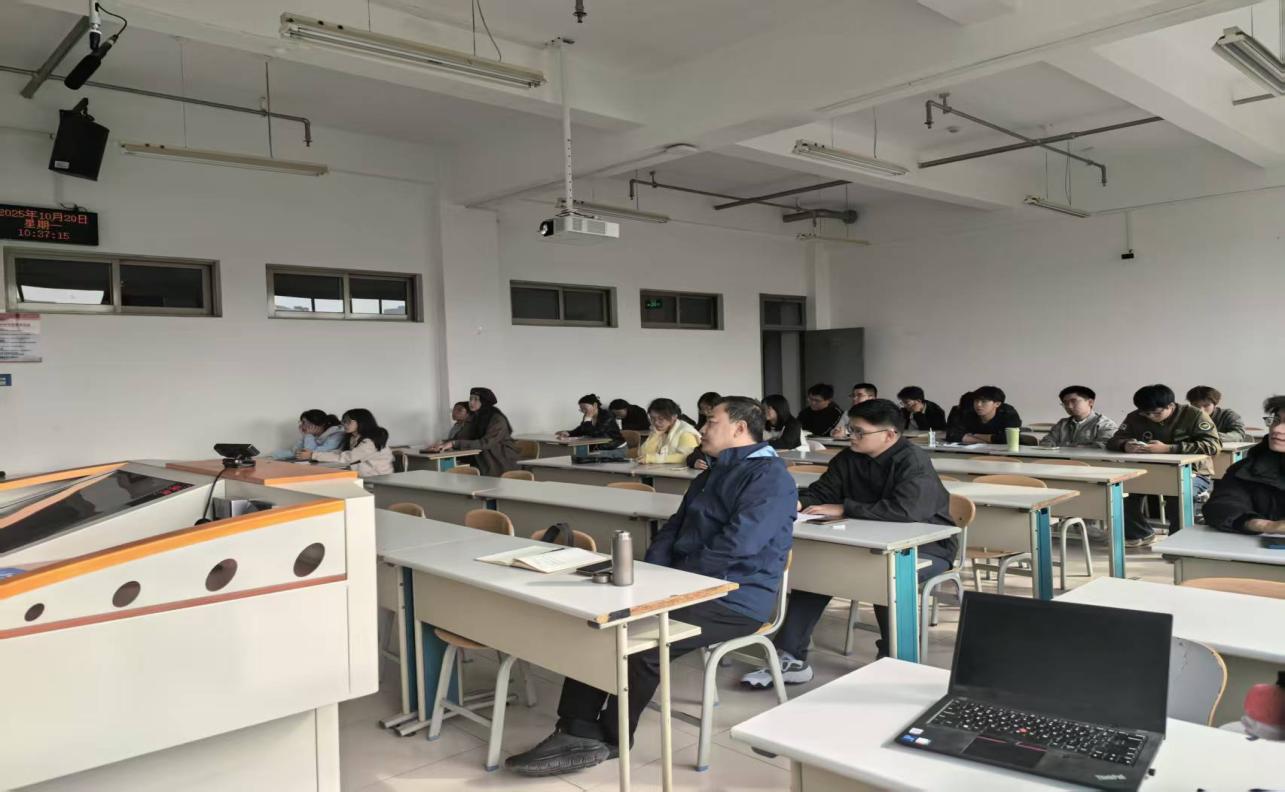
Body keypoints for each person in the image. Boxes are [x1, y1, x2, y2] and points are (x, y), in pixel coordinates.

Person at [505, 397, 796, 776]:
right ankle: (575, 729)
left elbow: (739, 545)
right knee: (601, 620)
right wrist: (652, 571)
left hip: (735, 597)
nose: (702, 428)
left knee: (642, 645)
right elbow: (675, 527)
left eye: (711, 421)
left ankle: (612, 738)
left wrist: (676, 579)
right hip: (686, 582)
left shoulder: (770, 478)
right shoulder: (713, 472)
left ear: (739, 429)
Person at [742, 399, 957, 687]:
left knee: (885, 576)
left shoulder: (912, 460)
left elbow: (908, 511)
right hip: (866, 541)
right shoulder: (849, 458)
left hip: (926, 547)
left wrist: (845, 508)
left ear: (889, 435)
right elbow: (823, 491)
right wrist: (797, 503)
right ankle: (789, 656)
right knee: (820, 572)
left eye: (859, 432)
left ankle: (895, 660)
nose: (850, 436)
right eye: (850, 429)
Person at [1107, 384, 1220, 547]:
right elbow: (1114, 440)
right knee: (1116, 492)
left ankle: (1177, 545)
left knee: (1179, 496)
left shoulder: (1194, 415)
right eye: (1146, 413)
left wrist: (1169, 449)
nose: (1151, 417)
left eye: (1156, 413)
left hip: (1193, 472)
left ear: (1171, 406)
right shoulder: (1135, 416)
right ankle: (1141, 533)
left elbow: (1213, 446)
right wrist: (1125, 445)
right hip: (1148, 471)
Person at [1204, 418, 1285, 534]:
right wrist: (1261, 524)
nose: (1276, 429)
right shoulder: (1249, 468)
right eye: (1276, 420)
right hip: (1258, 543)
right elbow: (1221, 504)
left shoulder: (1227, 416)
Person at [428, 387, 518, 477]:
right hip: (481, 461)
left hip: (500, 462)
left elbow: (485, 443)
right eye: (470, 399)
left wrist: (453, 443)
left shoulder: (497, 420)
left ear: (484, 401)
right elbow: (462, 437)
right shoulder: (475, 418)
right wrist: (442, 444)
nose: (471, 402)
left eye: (476, 399)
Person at [303, 408, 394, 477]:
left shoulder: (370, 441)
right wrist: (315, 455)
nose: (344, 424)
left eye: (347, 421)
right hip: (363, 475)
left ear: (361, 422)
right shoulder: (353, 437)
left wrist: (313, 455)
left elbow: (348, 458)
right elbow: (342, 452)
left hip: (377, 478)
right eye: (343, 421)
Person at [1040, 386, 1118, 448]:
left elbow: (1102, 446)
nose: (1069, 406)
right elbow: (1046, 442)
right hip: (1061, 461)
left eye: (1074, 401)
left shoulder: (1105, 424)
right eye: (1065, 403)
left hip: (1090, 462)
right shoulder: (1062, 423)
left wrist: (1064, 446)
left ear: (1090, 402)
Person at [945, 385, 1022, 443]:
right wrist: (983, 442)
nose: (978, 405)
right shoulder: (967, 410)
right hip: (970, 451)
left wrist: (973, 435)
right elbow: (952, 435)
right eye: (976, 401)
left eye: (984, 401)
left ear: (997, 404)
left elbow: (1010, 438)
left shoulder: (1008, 412)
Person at [636, 398, 701, 464]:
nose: (656, 422)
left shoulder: (686, 432)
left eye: (661, 419)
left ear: (674, 417)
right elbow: (643, 455)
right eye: (652, 418)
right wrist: (655, 435)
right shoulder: (659, 430)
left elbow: (687, 457)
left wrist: (654, 459)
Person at [556, 394, 624, 449]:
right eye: (581, 409)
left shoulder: (607, 415)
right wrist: (569, 433)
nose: (583, 411)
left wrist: (588, 418)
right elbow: (582, 429)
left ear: (595, 405)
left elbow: (595, 433)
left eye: (585, 408)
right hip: (599, 445)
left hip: (614, 445)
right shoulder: (588, 417)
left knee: (582, 455)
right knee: (577, 454)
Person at [271, 409, 344, 460]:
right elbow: (295, 450)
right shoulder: (313, 435)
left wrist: (308, 435)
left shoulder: (336, 434)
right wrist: (273, 456)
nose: (301, 426)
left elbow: (310, 452)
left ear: (318, 424)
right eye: (301, 422)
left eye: (304, 422)